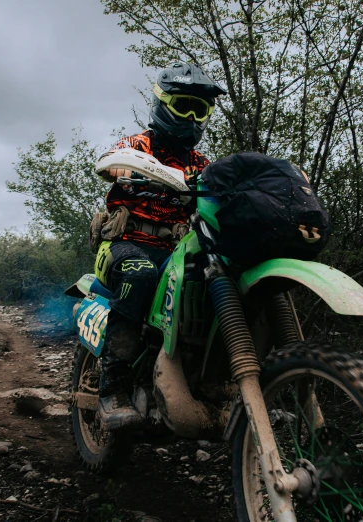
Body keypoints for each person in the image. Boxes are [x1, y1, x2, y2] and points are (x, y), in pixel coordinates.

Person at [93, 63, 226, 430]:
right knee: (141, 274)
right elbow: (108, 162)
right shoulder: (139, 144)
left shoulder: (201, 163)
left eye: (202, 110)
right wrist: (126, 168)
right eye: (185, 106)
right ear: (163, 103)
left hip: (175, 252)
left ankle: (213, 383)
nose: (193, 117)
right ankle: (113, 389)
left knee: (218, 284)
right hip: (125, 246)